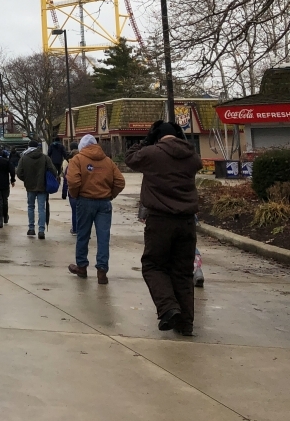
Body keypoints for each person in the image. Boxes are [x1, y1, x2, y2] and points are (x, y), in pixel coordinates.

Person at [126, 121, 201, 336]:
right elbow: (196, 162)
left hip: (160, 220)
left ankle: (168, 308)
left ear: (157, 137)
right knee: (183, 272)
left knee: (153, 266)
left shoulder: (151, 154)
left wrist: (146, 141)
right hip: (187, 221)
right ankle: (185, 323)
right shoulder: (191, 156)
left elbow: (130, 157)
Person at [65, 134, 125, 284]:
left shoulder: (77, 160)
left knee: (83, 235)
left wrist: (75, 195)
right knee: (103, 237)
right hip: (104, 202)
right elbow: (119, 181)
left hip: (85, 201)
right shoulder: (107, 161)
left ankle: (82, 266)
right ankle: (102, 271)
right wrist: (110, 195)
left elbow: (72, 181)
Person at [16, 141, 57, 239]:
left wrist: (26, 179)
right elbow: (53, 171)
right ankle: (41, 230)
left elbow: (19, 172)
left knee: (30, 207)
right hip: (42, 186)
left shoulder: (24, 158)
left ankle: (31, 228)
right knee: (41, 208)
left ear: (29, 147)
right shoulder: (45, 158)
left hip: (30, 186)